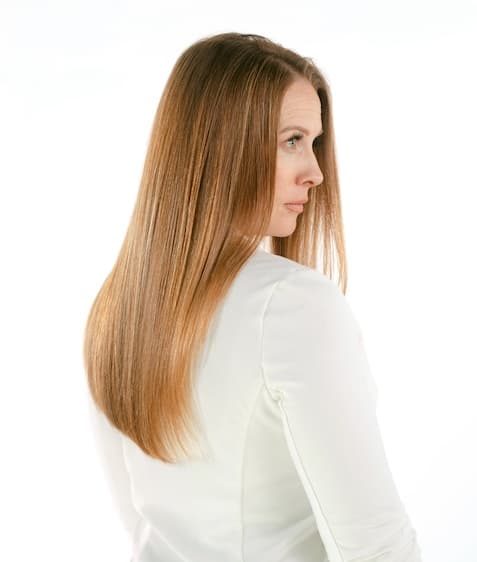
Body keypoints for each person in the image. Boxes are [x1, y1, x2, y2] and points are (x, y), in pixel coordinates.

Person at [83, 32, 423, 561]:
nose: (315, 172)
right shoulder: (293, 306)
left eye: (314, 142)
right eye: (292, 140)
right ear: (222, 144)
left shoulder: (115, 307)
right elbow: (375, 546)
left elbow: (141, 526)